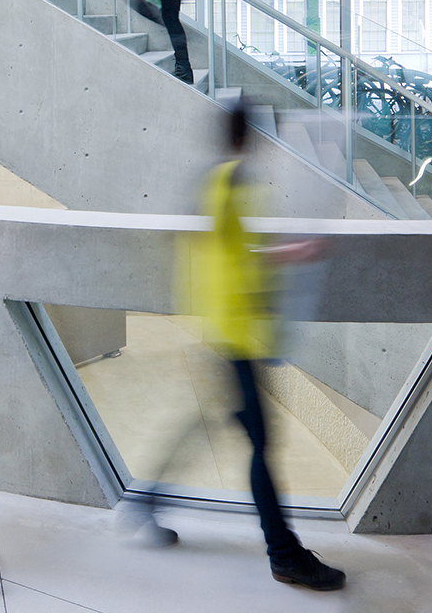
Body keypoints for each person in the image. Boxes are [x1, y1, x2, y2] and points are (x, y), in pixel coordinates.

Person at [138, 100, 343, 591]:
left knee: (229, 426)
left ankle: (145, 502)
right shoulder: (235, 181)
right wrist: (297, 251)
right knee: (260, 442)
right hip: (238, 332)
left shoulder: (212, 180)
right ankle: (284, 553)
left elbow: (218, 247)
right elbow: (242, 255)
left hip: (225, 327)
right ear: (249, 136)